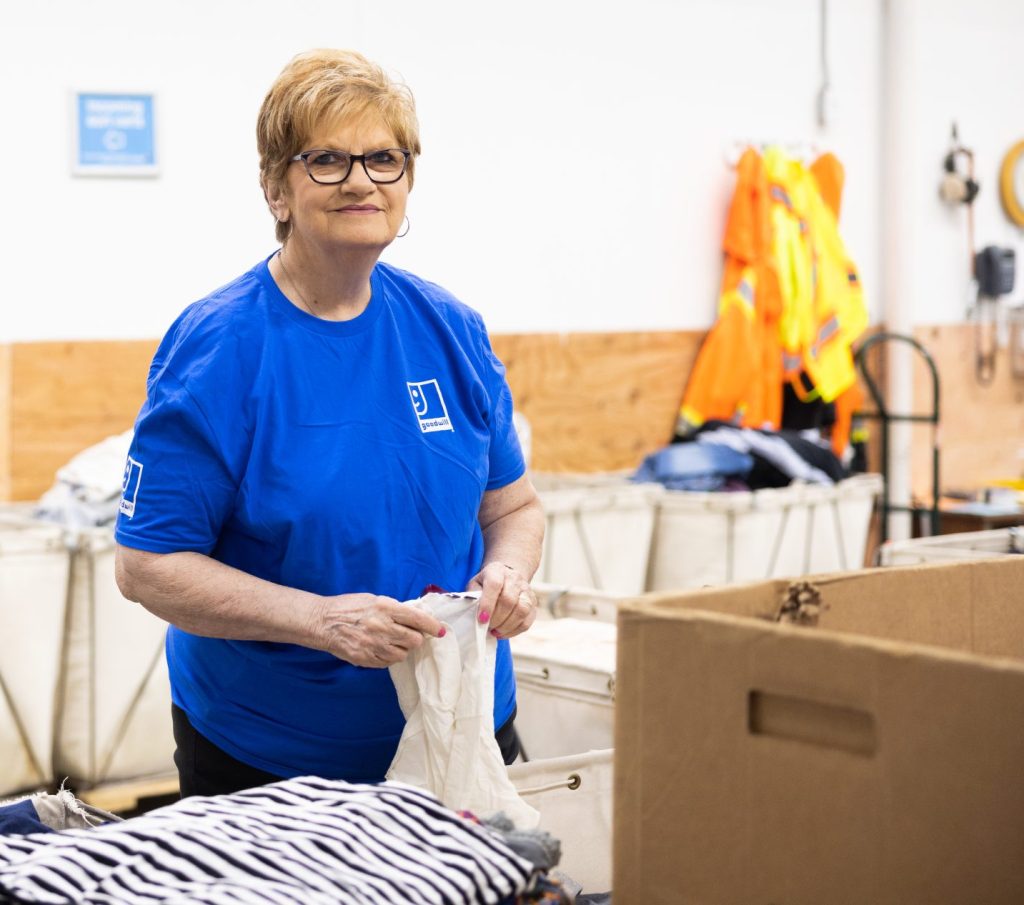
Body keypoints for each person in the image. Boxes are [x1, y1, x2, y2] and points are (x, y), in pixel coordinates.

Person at [113, 48, 544, 798]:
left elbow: (513, 506)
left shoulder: (450, 329)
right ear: (277, 188)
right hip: (270, 757)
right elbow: (147, 565)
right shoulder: (221, 349)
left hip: (460, 730)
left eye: (383, 158)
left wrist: (508, 571)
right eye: (327, 159)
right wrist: (322, 621)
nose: (359, 181)